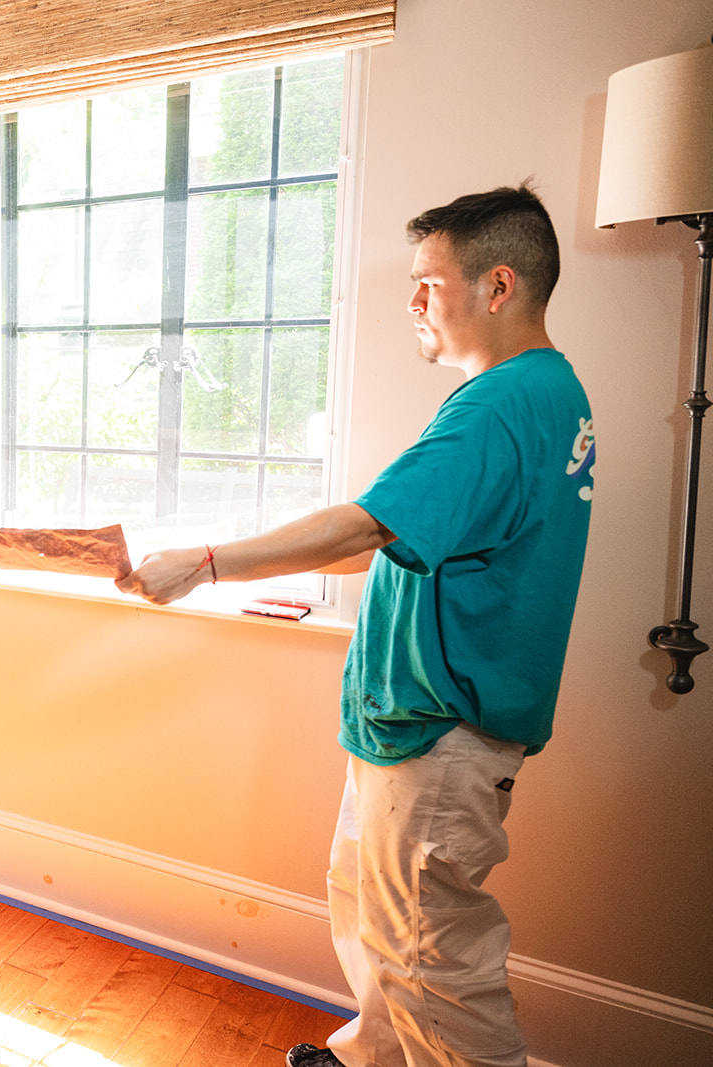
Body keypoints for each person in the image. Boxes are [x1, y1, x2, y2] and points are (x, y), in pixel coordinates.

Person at [117, 185, 594, 1067]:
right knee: (370, 908)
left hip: (439, 728)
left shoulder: (497, 404)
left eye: (428, 282)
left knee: (430, 958)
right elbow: (388, 534)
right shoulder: (546, 392)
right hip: (417, 723)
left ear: (496, 286)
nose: (412, 301)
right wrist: (228, 564)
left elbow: (367, 524)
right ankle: (369, 1054)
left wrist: (209, 560)